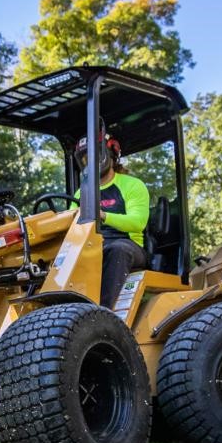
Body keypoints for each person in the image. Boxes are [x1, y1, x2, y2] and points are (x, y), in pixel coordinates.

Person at [74, 125, 150, 309]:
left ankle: (102, 312)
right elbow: (72, 227)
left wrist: (103, 215)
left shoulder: (132, 185)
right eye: (85, 159)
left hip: (128, 245)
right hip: (94, 244)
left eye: (94, 156)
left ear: (109, 155)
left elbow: (137, 222)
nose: (89, 162)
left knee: (118, 250)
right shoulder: (80, 193)